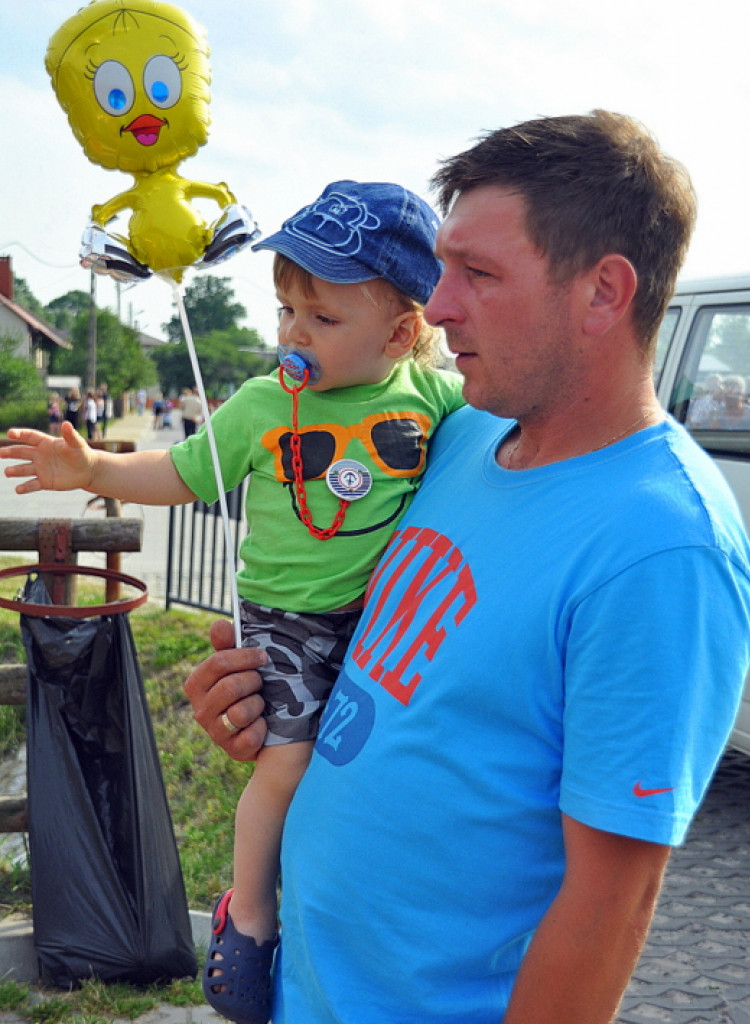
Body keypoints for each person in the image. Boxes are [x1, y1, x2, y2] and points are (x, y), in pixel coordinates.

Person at [183, 111, 750, 1024]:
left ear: (604, 292)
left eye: (479, 274)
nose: (439, 304)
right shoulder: (458, 434)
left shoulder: (663, 549)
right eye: (443, 267)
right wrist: (270, 712)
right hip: (309, 989)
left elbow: (609, 907)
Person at [0, 179, 464, 1024]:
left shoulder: (431, 400)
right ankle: (248, 916)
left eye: (321, 319)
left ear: (401, 333)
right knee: (285, 761)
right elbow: (178, 475)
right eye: (286, 308)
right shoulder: (261, 404)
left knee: (364, 765)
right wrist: (96, 470)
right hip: (284, 617)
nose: (292, 331)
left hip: (382, 621)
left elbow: (499, 435)